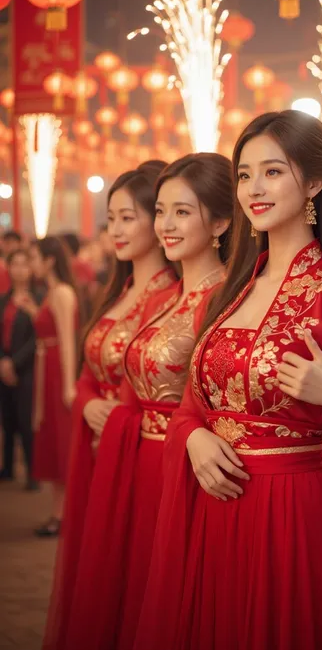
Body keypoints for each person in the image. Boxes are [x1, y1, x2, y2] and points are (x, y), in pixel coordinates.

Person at [134, 111, 322, 650]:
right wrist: (194, 438)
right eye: (245, 174)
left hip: (293, 515)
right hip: (213, 508)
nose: (254, 188)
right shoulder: (232, 289)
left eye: (273, 172)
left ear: (315, 183)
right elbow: (191, 406)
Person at [43, 153, 232, 650]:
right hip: (143, 453)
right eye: (162, 211)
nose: (165, 225)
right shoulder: (164, 298)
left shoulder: (222, 298)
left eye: (179, 212)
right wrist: (92, 405)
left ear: (219, 221)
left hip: (185, 464)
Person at [42, 165, 177, 649]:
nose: (114, 230)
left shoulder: (177, 298)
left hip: (142, 453)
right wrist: (85, 404)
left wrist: (113, 416)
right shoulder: (117, 293)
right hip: (102, 448)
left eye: (129, 217)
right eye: (111, 218)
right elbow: (85, 375)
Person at [18, 237, 79, 537]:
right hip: (48, 368)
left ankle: (65, 513)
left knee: (61, 442)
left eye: (34, 258)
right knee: (53, 440)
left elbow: (67, 341)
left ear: (50, 260)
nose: (31, 265)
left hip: (57, 372)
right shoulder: (51, 292)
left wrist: (69, 386)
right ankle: (59, 511)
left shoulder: (63, 293)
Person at [0, 250, 44, 487]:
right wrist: (3, 362)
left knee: (27, 422)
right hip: (3, 365)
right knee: (7, 420)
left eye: (23, 264)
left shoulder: (38, 297)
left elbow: (38, 336)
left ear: (30, 268)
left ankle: (32, 474)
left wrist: (13, 363)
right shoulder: (4, 299)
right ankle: (7, 467)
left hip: (27, 368)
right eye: (14, 264)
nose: (18, 269)